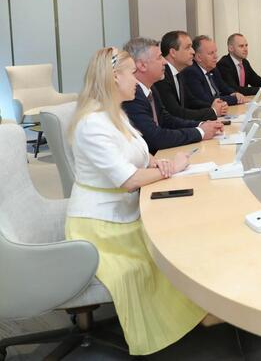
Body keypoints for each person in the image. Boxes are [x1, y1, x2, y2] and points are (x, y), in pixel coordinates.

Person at [65, 47, 209, 355]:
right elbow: (128, 179)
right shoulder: (92, 124)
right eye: (132, 73)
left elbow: (138, 156)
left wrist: (156, 163)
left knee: (175, 244)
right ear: (115, 77)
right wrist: (173, 168)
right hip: (101, 227)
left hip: (123, 213)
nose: (137, 79)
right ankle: (175, 323)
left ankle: (198, 311)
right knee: (155, 260)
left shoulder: (115, 114)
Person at [122, 37, 223, 155]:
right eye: (159, 57)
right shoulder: (132, 96)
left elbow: (166, 120)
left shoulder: (150, 88)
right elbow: (155, 138)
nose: (165, 62)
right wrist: (200, 132)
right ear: (142, 65)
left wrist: (201, 125)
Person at [153, 30, 227, 121]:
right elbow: (175, 112)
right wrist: (212, 111)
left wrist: (213, 106)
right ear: (173, 52)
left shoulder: (179, 73)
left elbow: (190, 102)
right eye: (188, 47)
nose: (193, 51)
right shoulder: (162, 76)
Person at [182, 35, 246, 109]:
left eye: (215, 52)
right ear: (198, 57)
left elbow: (224, 87)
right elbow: (206, 99)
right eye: (211, 53)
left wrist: (235, 93)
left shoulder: (213, 69)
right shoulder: (191, 72)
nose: (216, 56)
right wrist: (235, 98)